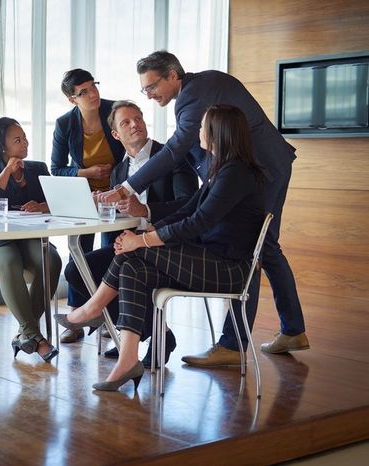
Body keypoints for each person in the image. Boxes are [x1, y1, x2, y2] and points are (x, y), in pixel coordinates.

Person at [100, 51, 309, 365]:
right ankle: (290, 329)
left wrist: (127, 187)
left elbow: (175, 150)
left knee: (255, 248)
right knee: (264, 248)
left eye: (152, 86)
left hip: (264, 168)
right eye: (145, 89)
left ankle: (234, 344)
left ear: (173, 76)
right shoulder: (195, 91)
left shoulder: (196, 92)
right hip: (254, 169)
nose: (149, 94)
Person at [56, 104, 266, 391]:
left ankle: (91, 308)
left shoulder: (235, 173)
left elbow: (197, 222)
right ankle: (128, 357)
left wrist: (141, 239)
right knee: (132, 265)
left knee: (132, 252)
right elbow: (189, 211)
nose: (198, 132)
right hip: (211, 260)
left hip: (227, 269)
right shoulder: (222, 170)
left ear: (218, 133)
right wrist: (150, 229)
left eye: (203, 127)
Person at [61, 100, 198, 363]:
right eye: (126, 122)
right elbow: (119, 218)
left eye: (138, 118)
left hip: (167, 243)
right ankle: (152, 332)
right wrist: (101, 204)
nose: (135, 124)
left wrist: (145, 209)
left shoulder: (172, 157)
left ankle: (134, 336)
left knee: (124, 270)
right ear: (115, 134)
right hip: (133, 246)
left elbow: (190, 205)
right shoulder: (119, 171)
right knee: (77, 269)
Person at [0, 117, 61, 362]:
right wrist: (7, 171)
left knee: (51, 260)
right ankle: (35, 336)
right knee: (9, 260)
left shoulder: (38, 168)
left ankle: (24, 334)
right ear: (2, 147)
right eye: (17, 140)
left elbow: (57, 200)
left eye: (25, 138)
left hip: (27, 239)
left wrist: (42, 206)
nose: (25, 143)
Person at [50, 69, 124, 344]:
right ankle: (76, 317)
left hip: (117, 194)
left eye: (94, 87)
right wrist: (87, 173)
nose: (93, 94)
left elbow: (132, 148)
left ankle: (110, 317)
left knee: (111, 253)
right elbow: (56, 168)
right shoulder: (65, 124)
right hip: (84, 197)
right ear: (72, 100)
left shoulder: (114, 111)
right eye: (84, 92)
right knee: (79, 252)